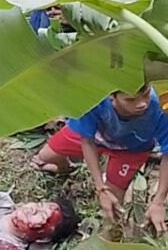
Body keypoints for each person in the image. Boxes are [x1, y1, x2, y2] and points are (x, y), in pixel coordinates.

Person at [34, 84, 168, 233]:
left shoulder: (161, 107)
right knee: (44, 157)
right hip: (96, 137)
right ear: (111, 96)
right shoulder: (94, 99)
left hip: (131, 150)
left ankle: (111, 231)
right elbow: (87, 141)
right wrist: (100, 187)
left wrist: (158, 201)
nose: (142, 104)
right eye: (130, 100)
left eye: (146, 94)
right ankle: (64, 168)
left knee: (114, 202)